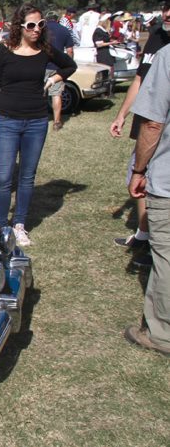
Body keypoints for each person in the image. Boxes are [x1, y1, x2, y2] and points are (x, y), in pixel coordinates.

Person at [0, 3, 77, 246]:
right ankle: (1, 227)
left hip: (36, 121)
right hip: (6, 121)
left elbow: (70, 65)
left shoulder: (45, 50)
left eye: (41, 24)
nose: (37, 29)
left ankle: (19, 225)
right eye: (32, 25)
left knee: (27, 176)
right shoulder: (3, 51)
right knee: (3, 178)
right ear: (20, 26)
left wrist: (53, 79)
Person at [109, 0, 170, 266]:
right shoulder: (156, 38)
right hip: (146, 123)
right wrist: (122, 114)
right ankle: (144, 235)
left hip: (160, 131)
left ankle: (154, 243)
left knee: (148, 180)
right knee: (142, 183)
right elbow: (139, 80)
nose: (168, 14)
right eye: (166, 7)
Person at [123, 42, 170, 357]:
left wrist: (139, 170)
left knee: (166, 255)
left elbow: (153, 123)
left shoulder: (167, 57)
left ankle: (162, 332)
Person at [44, 11, 75, 130]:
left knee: (39, 92)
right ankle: (56, 122)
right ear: (57, 19)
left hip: (42, 65)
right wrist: (68, 65)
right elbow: (70, 50)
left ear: (46, 19)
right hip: (57, 67)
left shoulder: (42, 30)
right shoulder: (64, 30)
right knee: (56, 94)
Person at [93, 13, 117, 96]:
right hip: (102, 53)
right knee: (105, 72)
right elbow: (98, 44)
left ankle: (110, 92)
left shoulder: (103, 31)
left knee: (110, 72)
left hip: (107, 52)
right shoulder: (98, 31)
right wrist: (111, 42)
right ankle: (104, 92)